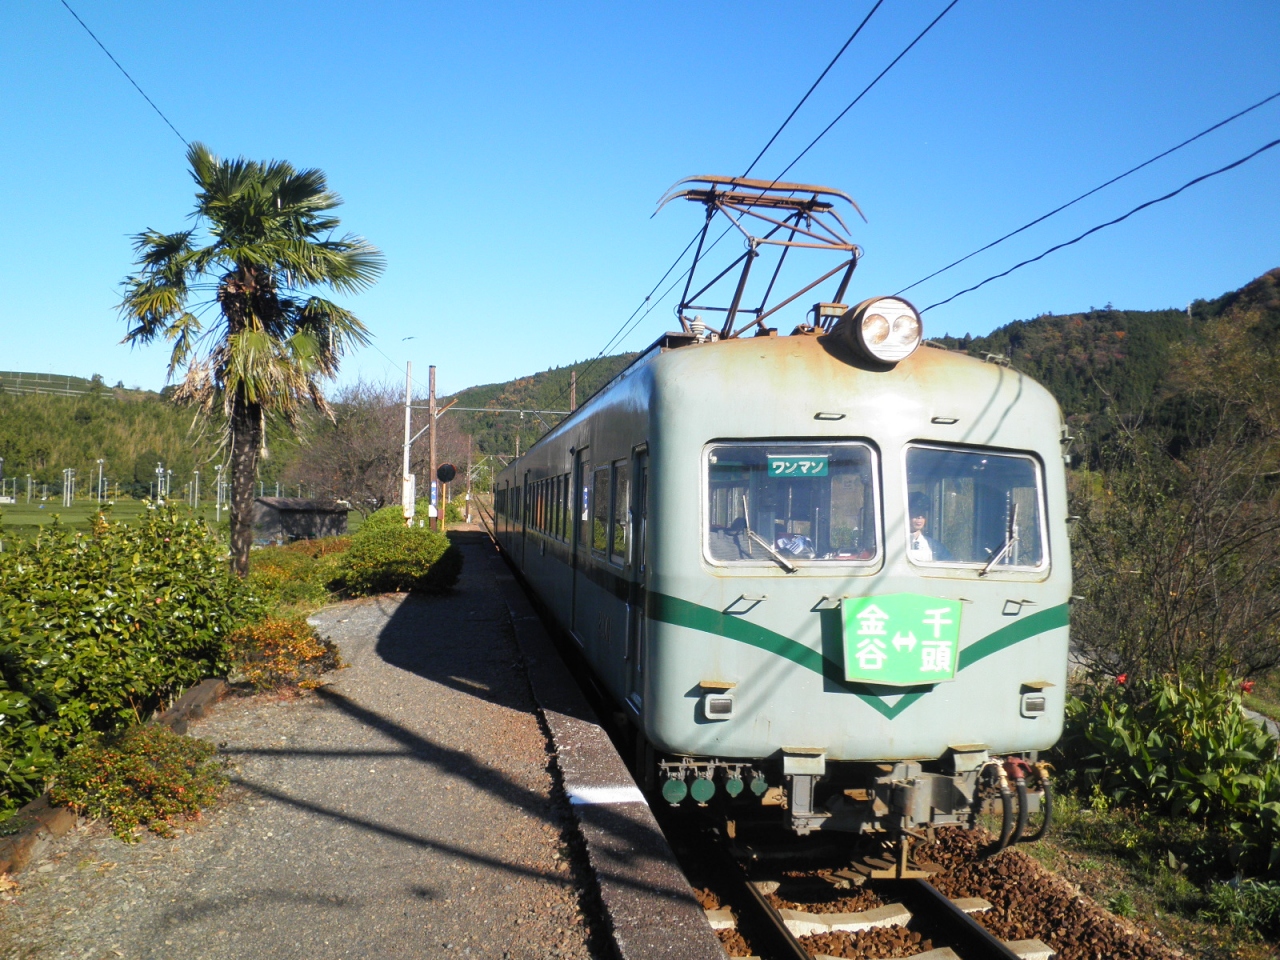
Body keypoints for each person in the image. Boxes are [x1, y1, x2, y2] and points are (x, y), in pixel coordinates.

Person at [907, 492, 951, 561]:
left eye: (922, 513)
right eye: (915, 513)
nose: (919, 517)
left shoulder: (934, 546)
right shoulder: (894, 543)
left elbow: (950, 564)